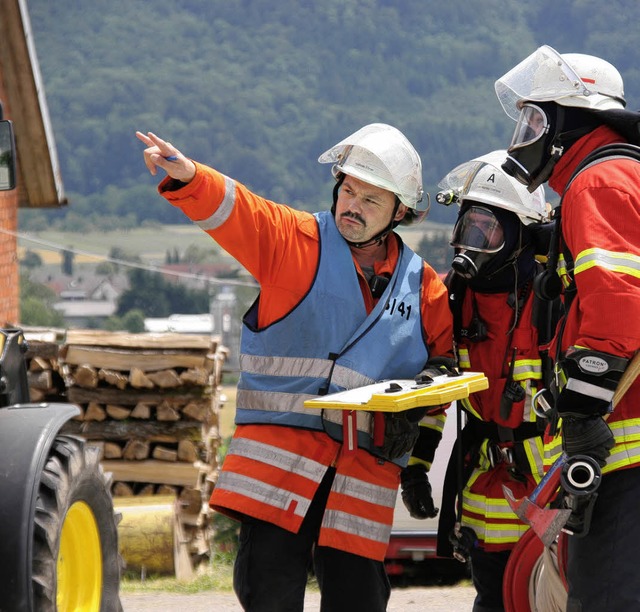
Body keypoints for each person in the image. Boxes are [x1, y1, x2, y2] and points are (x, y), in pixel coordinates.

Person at [136, 123, 454, 612]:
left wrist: (419, 446)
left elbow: (444, 367)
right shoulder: (292, 240)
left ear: (401, 212)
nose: (352, 205)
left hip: (361, 474)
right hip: (278, 466)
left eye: (371, 200)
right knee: (267, 592)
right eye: (348, 190)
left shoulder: (424, 287)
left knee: (359, 599)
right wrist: (189, 175)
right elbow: (238, 209)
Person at [494, 45, 640, 611]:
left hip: (628, 453)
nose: (525, 135)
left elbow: (618, 307)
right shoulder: (619, 175)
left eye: (534, 119)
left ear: (570, 121)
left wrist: (580, 414)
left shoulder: (598, 181)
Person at [398, 149, 557, 611]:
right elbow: (436, 395)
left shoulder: (553, 297)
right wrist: (416, 468)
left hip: (551, 481)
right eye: (468, 225)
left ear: (520, 234)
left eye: (488, 228)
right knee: (494, 597)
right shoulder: (454, 299)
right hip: (486, 481)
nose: (473, 240)